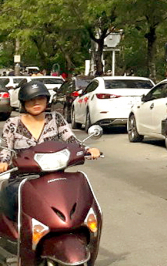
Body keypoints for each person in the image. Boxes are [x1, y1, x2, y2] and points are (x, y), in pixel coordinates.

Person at [0, 80, 101, 219]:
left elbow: (71, 140)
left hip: (55, 176)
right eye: (31, 100)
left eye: (40, 99)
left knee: (79, 195)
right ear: (23, 102)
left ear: (47, 100)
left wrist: (88, 150)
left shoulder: (56, 119)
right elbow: (6, 148)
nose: (36, 103)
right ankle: (18, 234)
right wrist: (3, 162)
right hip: (23, 178)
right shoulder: (13, 124)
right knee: (11, 200)